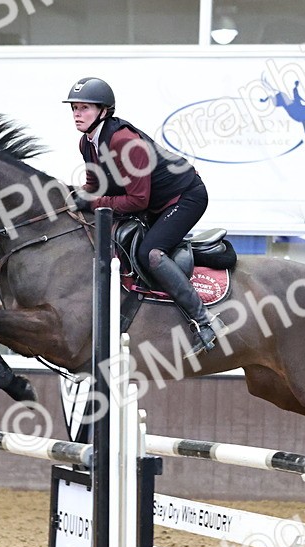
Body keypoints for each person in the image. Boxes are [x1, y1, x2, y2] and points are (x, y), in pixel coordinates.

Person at [64, 77, 222, 356]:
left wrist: (92, 202)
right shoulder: (87, 142)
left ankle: (205, 321)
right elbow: (94, 184)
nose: (77, 114)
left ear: (103, 111)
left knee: (152, 253)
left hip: (186, 196)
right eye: (74, 108)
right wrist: (74, 198)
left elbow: (137, 200)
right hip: (156, 203)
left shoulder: (125, 142)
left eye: (84, 108)